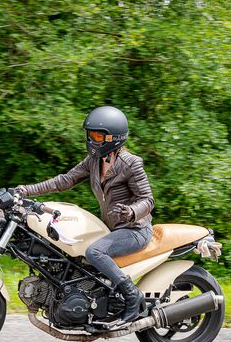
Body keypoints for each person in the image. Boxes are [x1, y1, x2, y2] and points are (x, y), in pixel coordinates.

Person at [15, 106, 154, 325]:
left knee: (94, 252)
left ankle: (131, 295)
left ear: (113, 138)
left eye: (97, 136)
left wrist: (131, 212)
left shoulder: (131, 164)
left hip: (135, 230)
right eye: (90, 135)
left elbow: (148, 199)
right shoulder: (95, 161)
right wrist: (26, 190)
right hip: (113, 229)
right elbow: (64, 180)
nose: (91, 139)